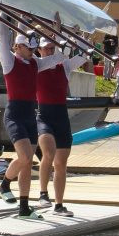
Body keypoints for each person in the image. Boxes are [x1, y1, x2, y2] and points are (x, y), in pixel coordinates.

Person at [0, 21, 66, 219]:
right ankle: (5, 183)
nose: (33, 51)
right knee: (25, 157)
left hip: (29, 114)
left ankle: (24, 207)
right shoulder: (9, 61)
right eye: (29, 47)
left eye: (35, 48)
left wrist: (56, 34)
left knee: (26, 163)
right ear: (17, 47)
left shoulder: (36, 63)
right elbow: (1, 37)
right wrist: (2, 14)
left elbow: (58, 56)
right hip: (15, 114)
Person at [36, 36, 88, 217]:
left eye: (52, 48)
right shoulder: (36, 65)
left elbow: (83, 56)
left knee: (61, 164)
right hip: (44, 117)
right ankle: (43, 194)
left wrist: (83, 36)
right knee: (48, 154)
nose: (49, 51)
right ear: (39, 51)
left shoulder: (64, 66)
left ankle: (59, 205)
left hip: (61, 117)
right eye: (46, 48)